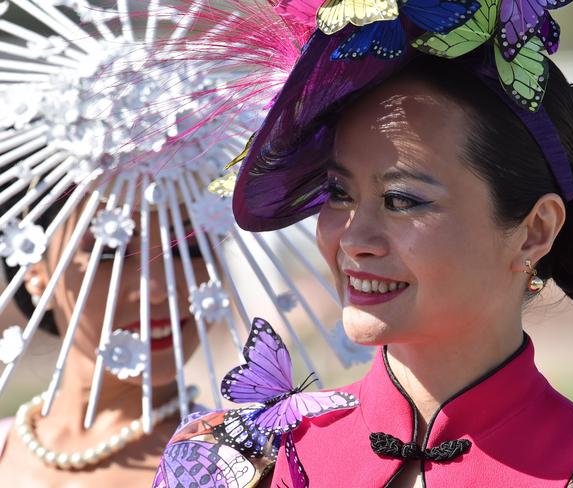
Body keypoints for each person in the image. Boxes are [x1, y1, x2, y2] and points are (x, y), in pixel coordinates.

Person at [153, 0, 573, 487]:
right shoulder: (233, 463)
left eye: (402, 199)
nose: (354, 239)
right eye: (339, 193)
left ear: (535, 229)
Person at [0, 1, 349, 485]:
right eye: (109, 251)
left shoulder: (235, 471)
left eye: (190, 247)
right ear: (35, 267)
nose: (160, 290)